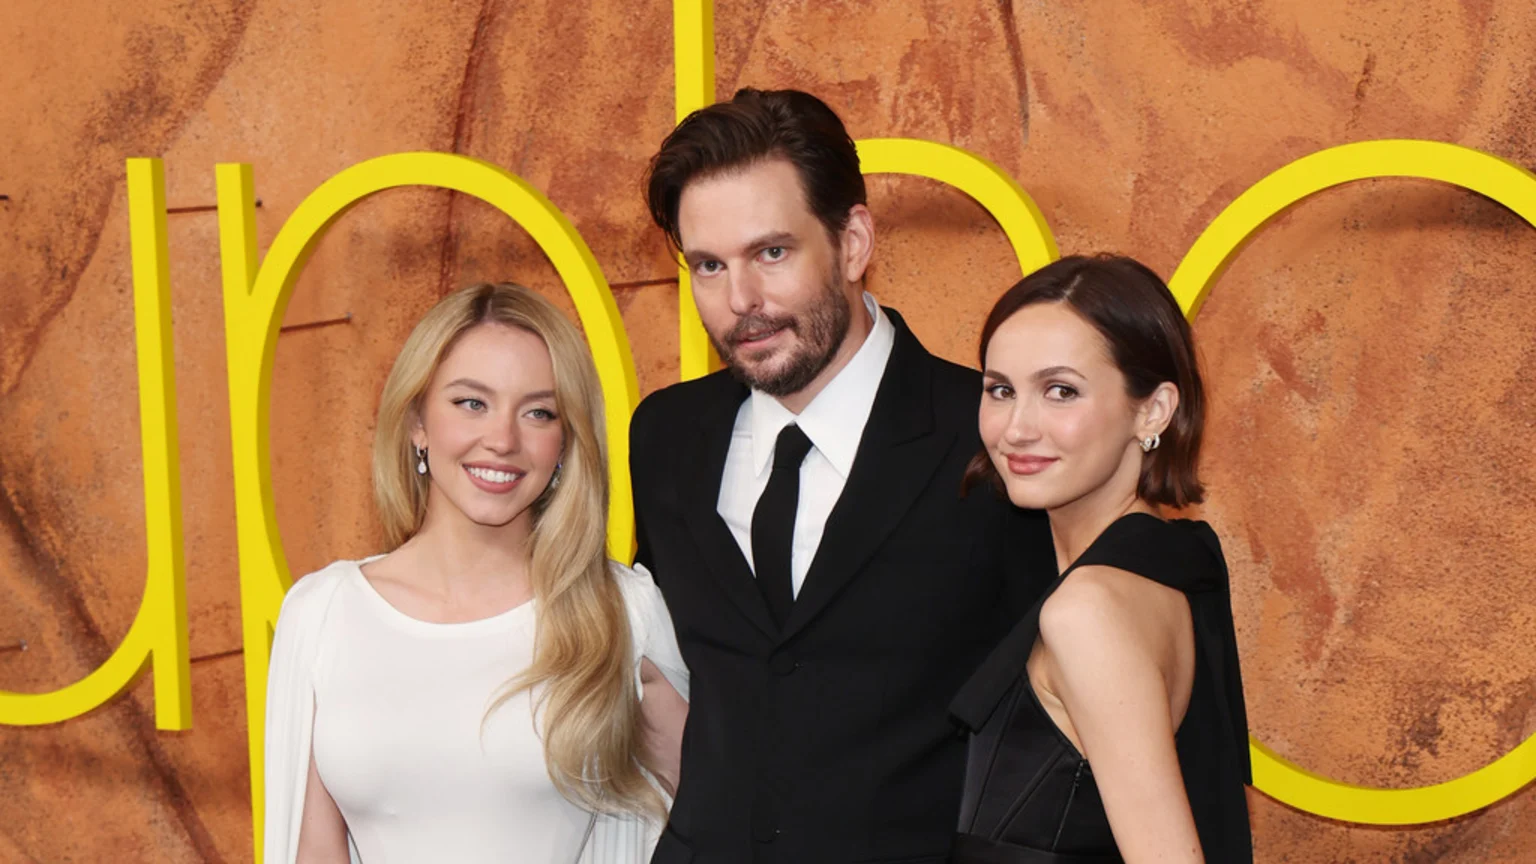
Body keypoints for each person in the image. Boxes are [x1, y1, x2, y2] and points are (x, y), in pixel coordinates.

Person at [630, 88, 1055, 864]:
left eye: (772, 253)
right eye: (709, 266)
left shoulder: (993, 435)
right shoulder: (665, 435)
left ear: (853, 242)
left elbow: (1060, 730)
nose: (741, 303)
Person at [262, 283, 690, 864]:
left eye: (539, 412)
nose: (502, 440)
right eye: (471, 403)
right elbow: (313, 849)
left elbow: (716, 815)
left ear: (565, 443)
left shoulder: (622, 609)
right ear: (417, 420)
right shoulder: (322, 613)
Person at [948, 255, 1252, 863]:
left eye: (1061, 391)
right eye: (1000, 390)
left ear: (1153, 410)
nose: (1016, 428)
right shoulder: (1163, 562)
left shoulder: (1088, 611)